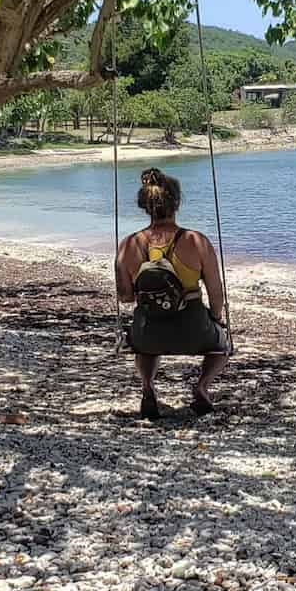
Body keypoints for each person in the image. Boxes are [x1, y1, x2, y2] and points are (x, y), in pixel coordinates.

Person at [116, 168, 229, 420]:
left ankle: (147, 387)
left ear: (144, 205)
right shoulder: (196, 241)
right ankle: (202, 386)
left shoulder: (129, 245)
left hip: (148, 332)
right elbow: (216, 293)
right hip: (194, 330)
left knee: (145, 349)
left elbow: (124, 296)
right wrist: (216, 318)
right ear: (176, 202)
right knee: (223, 346)